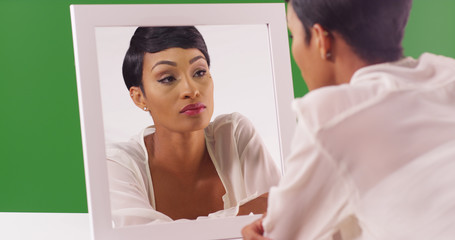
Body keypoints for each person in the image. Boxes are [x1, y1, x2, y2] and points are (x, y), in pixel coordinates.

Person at [242, 0, 455, 239]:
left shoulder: (332, 116)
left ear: (321, 39)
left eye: (294, 36)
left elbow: (277, 234)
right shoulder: (447, 72)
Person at [107, 26, 281, 227]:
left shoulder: (234, 134)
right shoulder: (117, 164)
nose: (191, 90)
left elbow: (283, 217)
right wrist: (242, 212)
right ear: (139, 97)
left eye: (199, 72)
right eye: (168, 78)